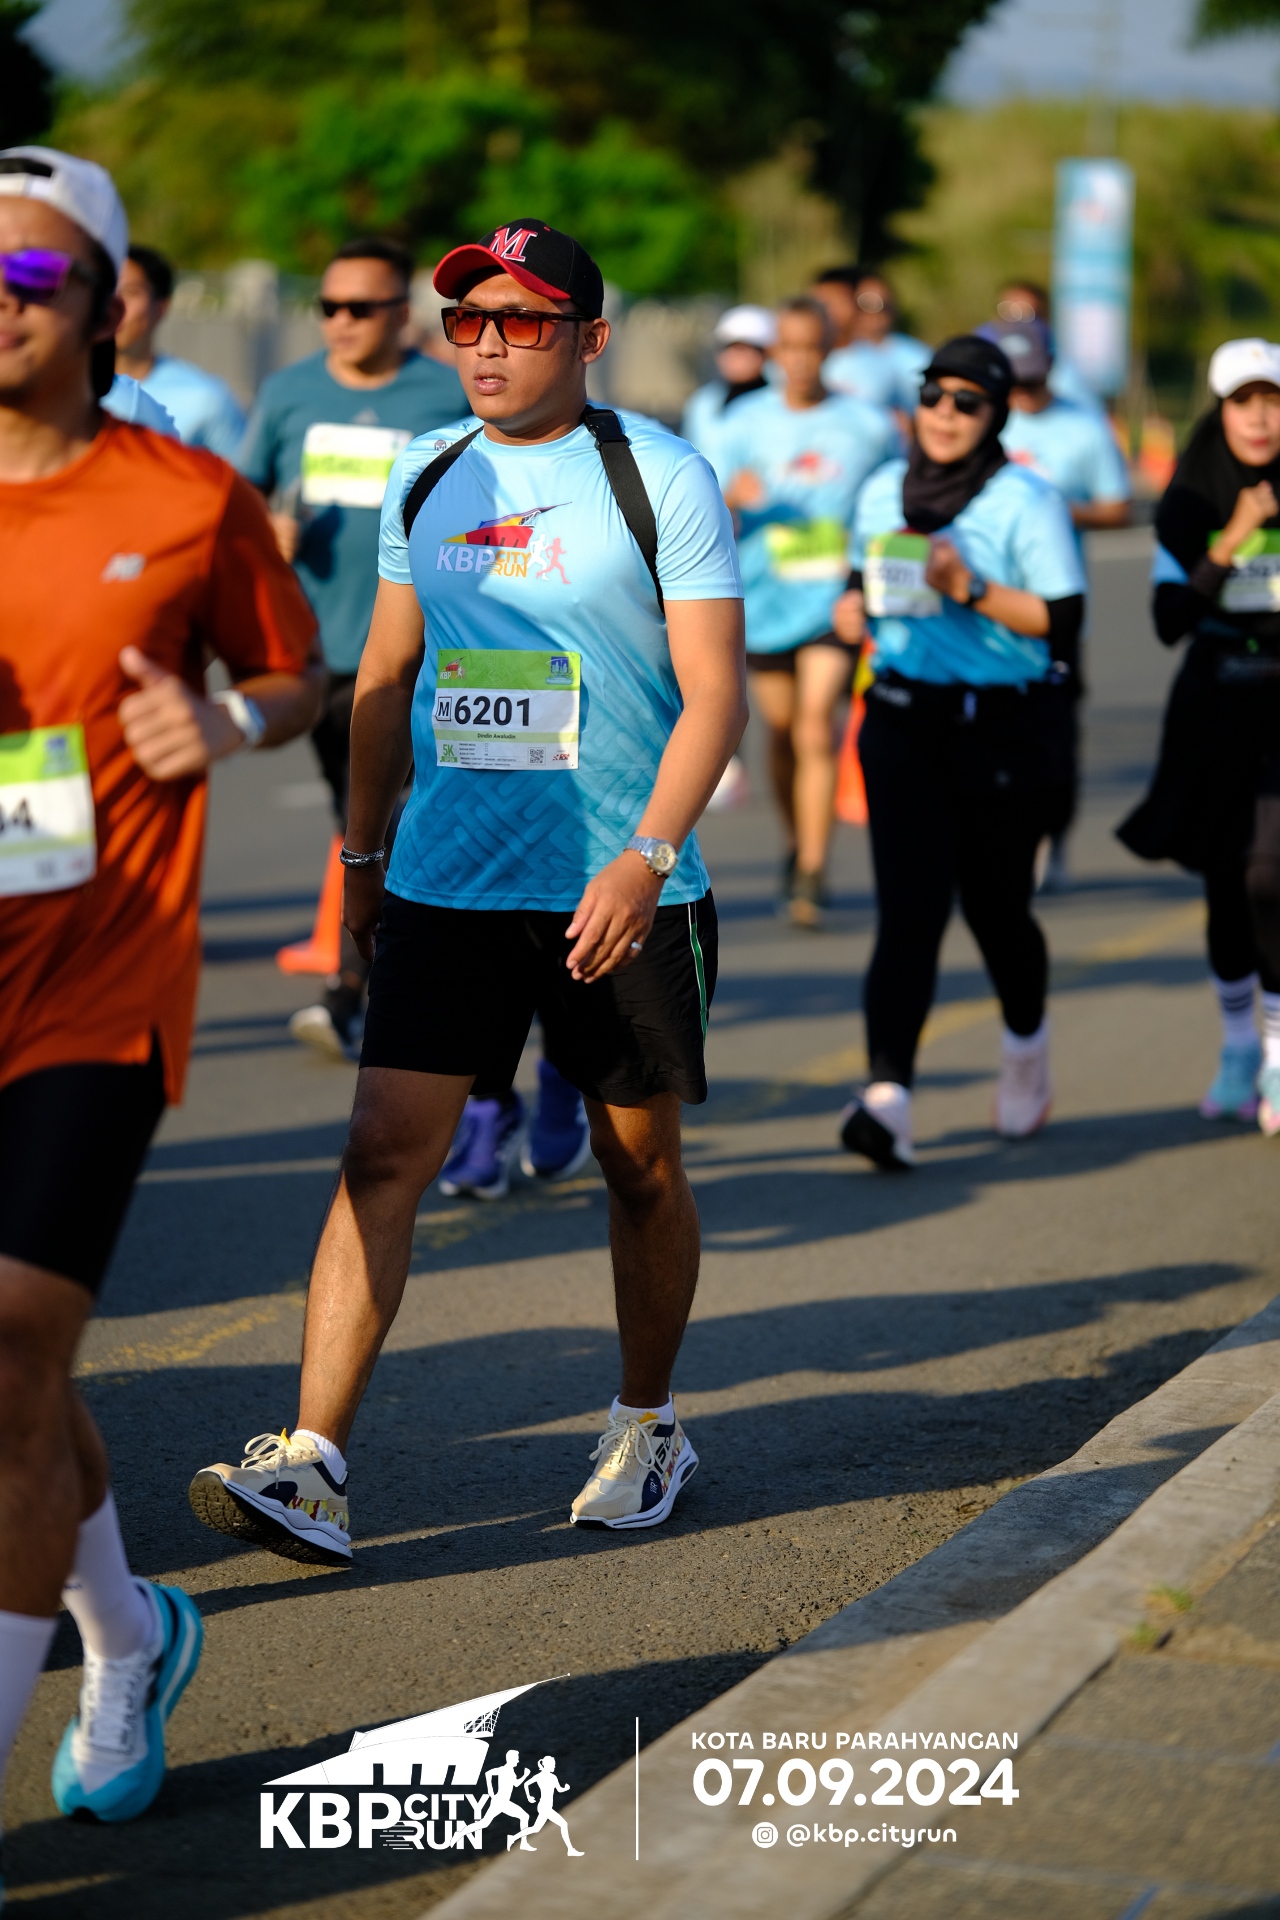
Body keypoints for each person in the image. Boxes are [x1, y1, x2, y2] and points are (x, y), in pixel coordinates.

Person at [188, 218, 746, 1563]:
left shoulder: (659, 477)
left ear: (589, 339)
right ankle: (312, 1463)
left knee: (637, 1166)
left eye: (523, 322)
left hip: (619, 883)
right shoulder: (428, 470)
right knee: (383, 1151)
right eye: (469, 321)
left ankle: (647, 1421)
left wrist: (645, 856)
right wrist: (360, 859)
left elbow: (716, 696)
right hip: (447, 879)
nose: (488, 345)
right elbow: (383, 679)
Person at [0, 145, 321, 1848]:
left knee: (9, 1348)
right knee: (14, 1373)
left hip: (98, 980)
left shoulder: (186, 497)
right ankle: (130, 1633)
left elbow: (295, 669)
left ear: (101, 303)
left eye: (29, 275)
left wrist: (230, 721)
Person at [832, 335, 1085, 1168]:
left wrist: (967, 586)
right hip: (902, 719)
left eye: (967, 402)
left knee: (997, 912)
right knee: (909, 913)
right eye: (933, 395)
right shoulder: (881, 489)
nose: (945, 414)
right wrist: (848, 608)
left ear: (996, 415)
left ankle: (1027, 1046)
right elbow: (860, 580)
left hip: (1004, 728)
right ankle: (889, 1098)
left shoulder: (1026, 501)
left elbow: (1062, 622)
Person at [238, 235, 466, 1059]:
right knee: (354, 809)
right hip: (319, 646)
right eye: (329, 306)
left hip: (417, 650)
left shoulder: (446, 394)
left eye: (360, 308)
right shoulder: (289, 392)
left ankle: (353, 989)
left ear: (401, 314)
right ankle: (386, 974)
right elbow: (245, 495)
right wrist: (264, 531)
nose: (341, 322)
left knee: (388, 815)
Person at [1118, 338, 1280, 1135]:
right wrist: (1235, 534)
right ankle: (1239, 1045)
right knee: (1225, 879)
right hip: (1215, 702)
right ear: (1220, 412)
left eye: (1273, 400)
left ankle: (1279, 1050)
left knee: (1269, 872)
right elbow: (1169, 620)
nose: (1260, 416)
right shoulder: (1189, 500)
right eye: (1244, 401)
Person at [714, 296, 897, 925]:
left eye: (811, 347)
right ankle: (797, 842)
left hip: (833, 599)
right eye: (788, 348)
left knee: (817, 723)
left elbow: (893, 499)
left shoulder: (867, 425)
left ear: (830, 349)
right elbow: (703, 506)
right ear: (774, 354)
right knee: (783, 731)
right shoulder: (742, 424)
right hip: (765, 600)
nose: (799, 360)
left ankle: (813, 870)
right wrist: (731, 497)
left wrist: (873, 580)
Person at [979, 314, 1133, 890]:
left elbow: (1119, 507)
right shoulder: (976, 420)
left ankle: (1053, 834)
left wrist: (1058, 511)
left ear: (1050, 368)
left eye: (1033, 380)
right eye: (1012, 382)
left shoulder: (1083, 426)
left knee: (1054, 737)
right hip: (983, 609)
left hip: (1056, 610)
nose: (1023, 394)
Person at [113, 243, 246, 458]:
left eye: (129, 292)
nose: (114, 304)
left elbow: (237, 476)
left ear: (161, 307)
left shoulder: (205, 400)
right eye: (106, 289)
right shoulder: (62, 391)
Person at [809, 266, 930, 420]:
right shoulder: (803, 359)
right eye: (819, 303)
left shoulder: (885, 361)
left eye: (833, 302)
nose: (825, 312)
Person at [680, 304, 777, 461]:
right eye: (726, 348)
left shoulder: (782, 402)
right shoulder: (704, 401)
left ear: (766, 352)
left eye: (742, 348)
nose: (732, 357)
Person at [995, 280, 1102, 416]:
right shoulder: (985, 360)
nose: (1018, 322)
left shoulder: (1066, 373)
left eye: (1028, 315)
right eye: (1008, 313)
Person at [523, 1754, 584, 1854]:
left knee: (536, 1828)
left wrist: (566, 1788)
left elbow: (559, 1789)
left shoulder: (553, 1777)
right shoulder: (540, 1776)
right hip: (544, 1807)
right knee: (563, 1824)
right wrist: (529, 1796)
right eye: (553, 1764)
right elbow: (526, 1784)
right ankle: (570, 1849)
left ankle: (513, 1838)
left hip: (546, 1806)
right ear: (547, 1765)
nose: (554, 1766)